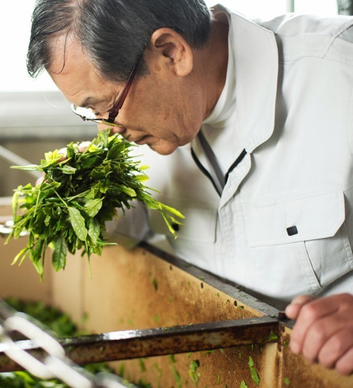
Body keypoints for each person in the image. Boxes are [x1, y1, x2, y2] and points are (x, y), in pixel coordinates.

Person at [26, 0, 353, 376]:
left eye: (105, 108)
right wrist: (80, 198)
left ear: (171, 52)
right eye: (90, 113)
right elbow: (134, 223)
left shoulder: (340, 73)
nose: (106, 129)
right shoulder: (149, 128)